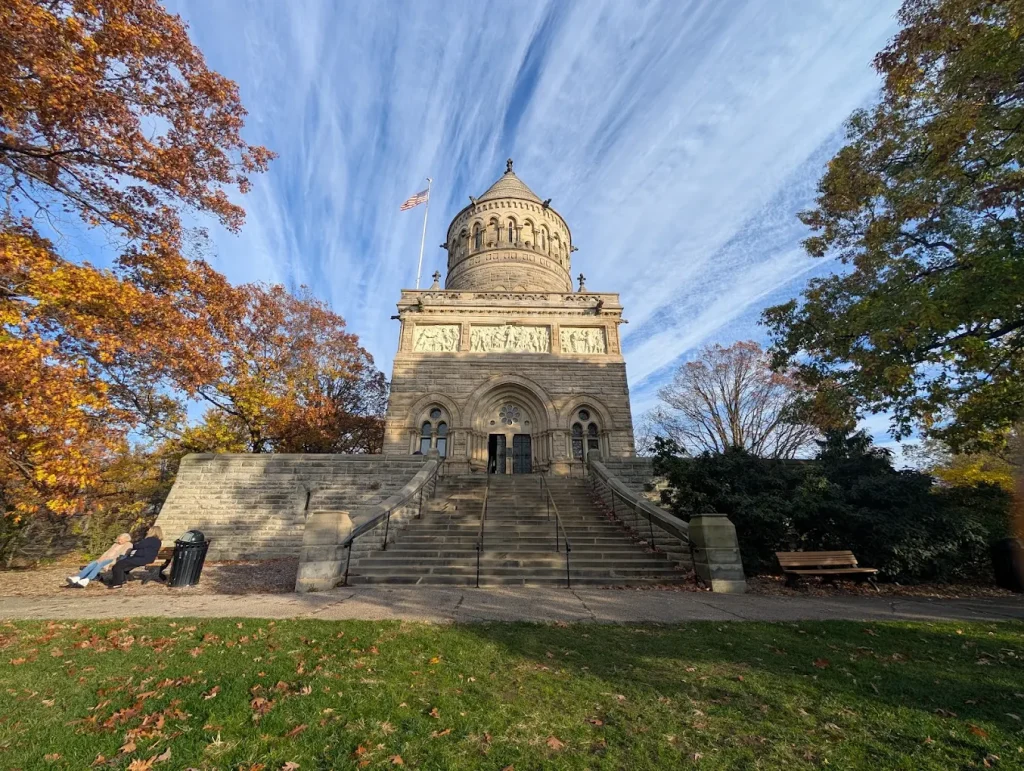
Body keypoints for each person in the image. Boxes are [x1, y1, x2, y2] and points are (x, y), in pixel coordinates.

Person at [66, 533, 132, 588]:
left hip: (114, 559)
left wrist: (108, 563)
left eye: (121, 539)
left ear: (126, 539)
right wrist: (100, 558)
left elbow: (122, 555)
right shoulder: (115, 544)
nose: (119, 540)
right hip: (106, 558)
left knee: (100, 564)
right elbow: (106, 552)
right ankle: (78, 577)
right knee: (93, 563)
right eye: (119, 539)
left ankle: (87, 579)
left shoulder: (128, 545)